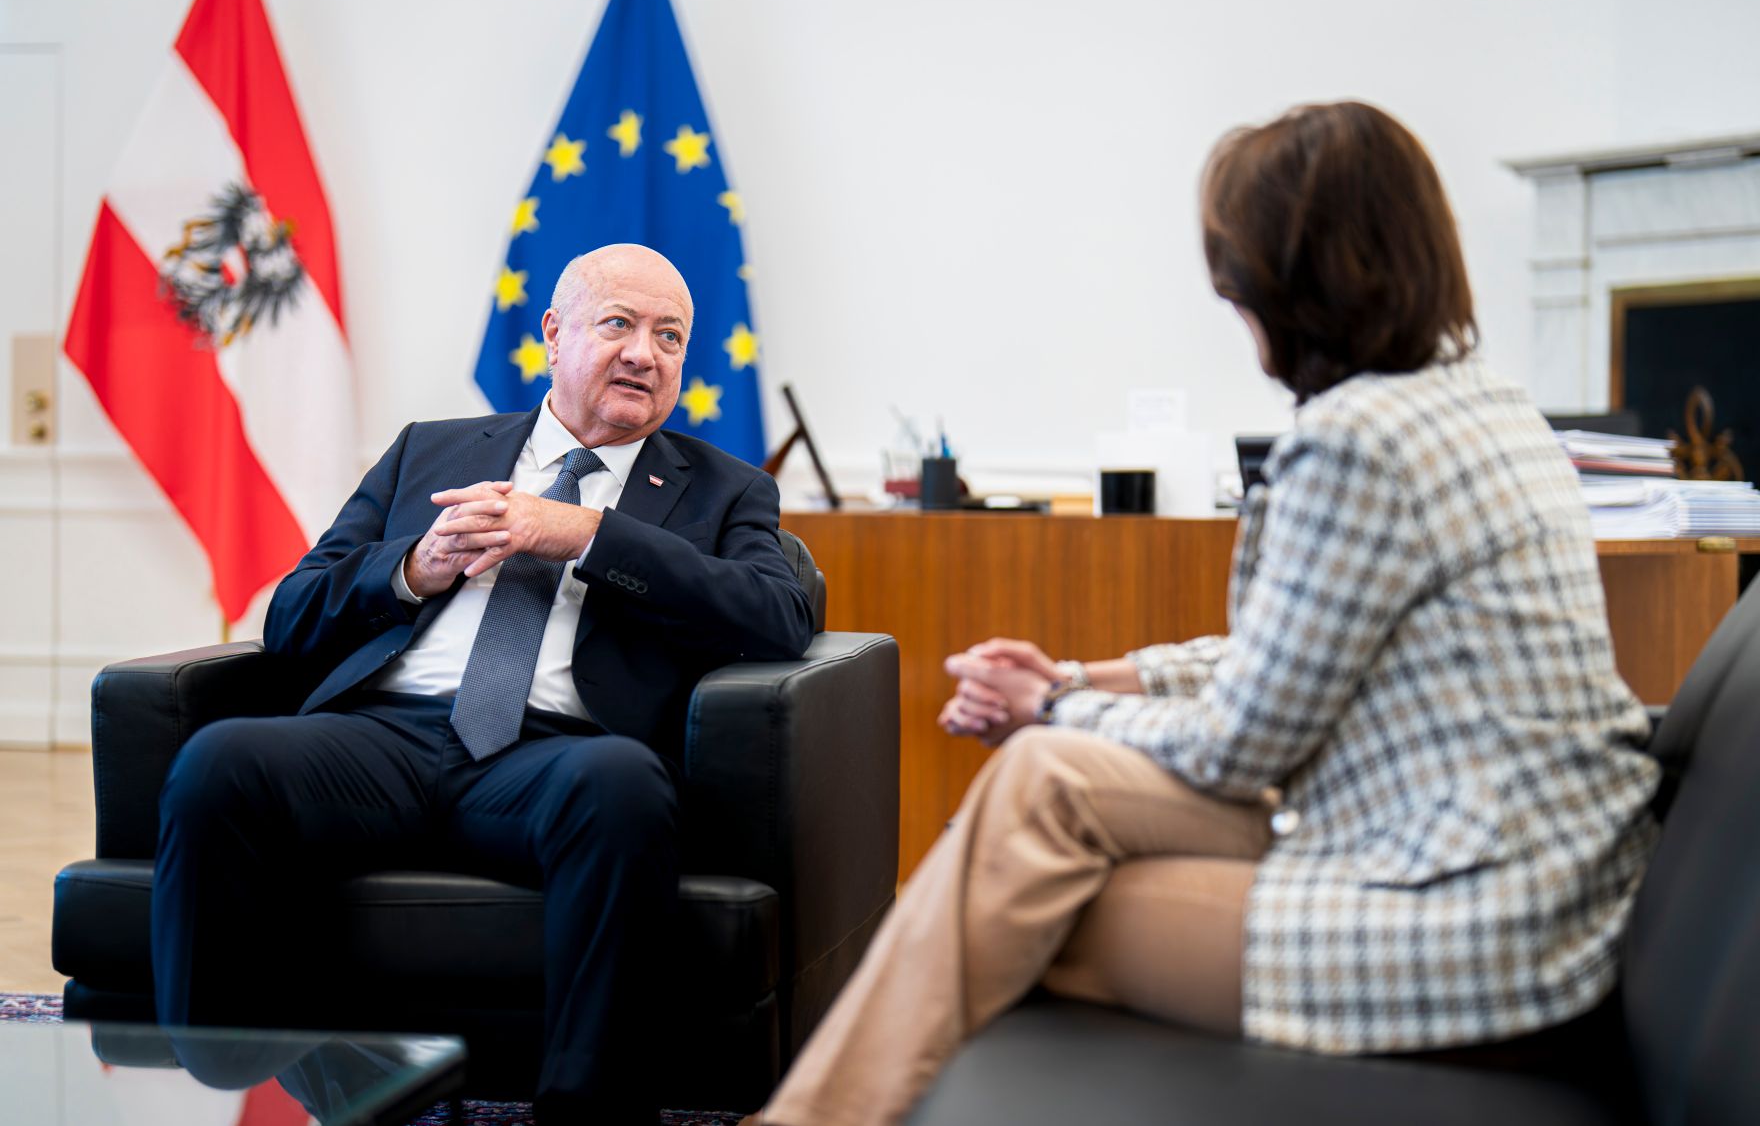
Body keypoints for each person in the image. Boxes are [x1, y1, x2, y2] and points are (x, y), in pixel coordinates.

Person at [752, 102, 1661, 1126]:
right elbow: (1292, 649)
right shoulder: (1482, 405)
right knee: (1033, 802)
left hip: (1467, 922)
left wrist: (1049, 702)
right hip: (1535, 875)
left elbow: (1239, 747)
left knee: (1007, 901)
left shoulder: (1356, 440)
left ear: (1284, 280)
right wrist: (1084, 682)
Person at [151, 243, 816, 1124]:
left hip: (553, 757)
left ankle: (588, 1111)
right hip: (382, 739)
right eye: (618, 323)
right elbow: (294, 610)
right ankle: (245, 1075)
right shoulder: (430, 452)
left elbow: (776, 614)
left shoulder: (725, 491)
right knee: (219, 762)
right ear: (552, 333)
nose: (644, 354)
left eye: (669, 336)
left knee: (621, 787)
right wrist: (415, 567)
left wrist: (583, 532)